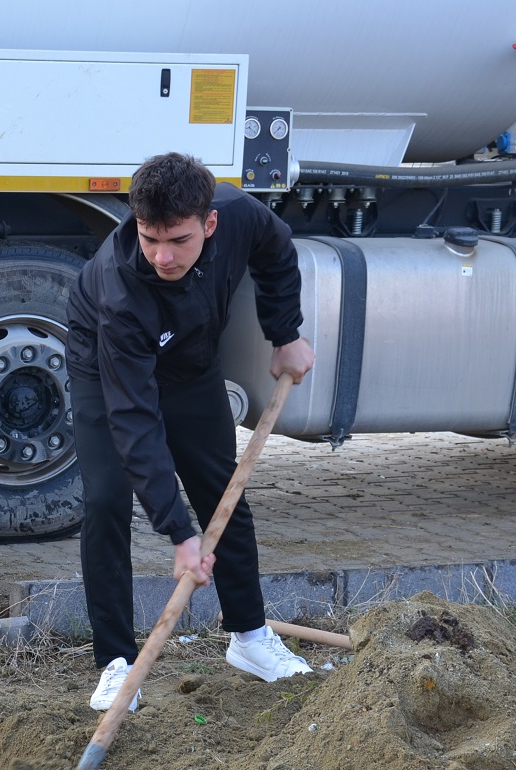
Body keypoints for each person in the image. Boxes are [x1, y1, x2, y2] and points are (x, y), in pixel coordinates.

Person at [66, 151, 317, 711]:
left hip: (191, 359)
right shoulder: (119, 289)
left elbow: (277, 252)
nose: (161, 255)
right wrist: (180, 535)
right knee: (106, 498)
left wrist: (285, 333)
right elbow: (134, 422)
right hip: (106, 363)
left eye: (178, 240)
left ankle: (250, 637)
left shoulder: (239, 213)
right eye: (150, 238)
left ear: (209, 224)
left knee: (221, 488)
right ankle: (115, 662)